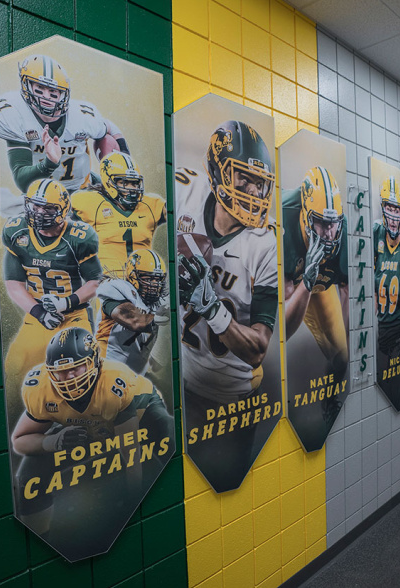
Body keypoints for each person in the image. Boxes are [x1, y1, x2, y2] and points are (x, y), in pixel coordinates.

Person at [174, 120, 279, 491]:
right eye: (242, 179)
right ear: (217, 172)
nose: (253, 191)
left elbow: (258, 351)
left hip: (231, 401)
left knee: (225, 487)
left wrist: (212, 307)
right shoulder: (183, 192)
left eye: (259, 182)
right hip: (178, 386)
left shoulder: (264, 242)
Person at [10, 327, 173, 559]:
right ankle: (38, 544)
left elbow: (130, 451)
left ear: (95, 362)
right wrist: (53, 441)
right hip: (84, 425)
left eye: (75, 368)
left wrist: (132, 502)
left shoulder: (112, 382)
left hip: (138, 410)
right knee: (29, 474)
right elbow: (20, 441)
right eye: (61, 371)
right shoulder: (41, 389)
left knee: (167, 432)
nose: (69, 378)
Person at [2, 179, 102, 417]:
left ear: (63, 210)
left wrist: (65, 302)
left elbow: (95, 282)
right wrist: (40, 313)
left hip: (73, 313)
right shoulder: (17, 232)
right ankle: (21, 416)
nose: (39, 213)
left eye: (47, 208)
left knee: (75, 366)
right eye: (34, 207)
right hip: (38, 312)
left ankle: (79, 419)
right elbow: (14, 285)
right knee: (15, 364)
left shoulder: (79, 236)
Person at [0, 54, 129, 193]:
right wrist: (50, 163)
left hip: (82, 190)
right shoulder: (15, 112)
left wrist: (124, 159)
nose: (46, 96)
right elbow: (23, 182)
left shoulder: (81, 116)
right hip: (41, 198)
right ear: (26, 85)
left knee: (107, 139)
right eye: (40, 88)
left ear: (63, 94)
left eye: (53, 91)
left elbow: (111, 128)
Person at [283, 166, 349, 375]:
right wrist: (306, 283)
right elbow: (283, 328)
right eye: (321, 222)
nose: (329, 234)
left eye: (333, 224)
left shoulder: (342, 228)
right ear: (305, 216)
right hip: (292, 285)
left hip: (322, 284)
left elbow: (346, 290)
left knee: (342, 354)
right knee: (268, 347)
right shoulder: (284, 219)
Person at [70, 152, 168, 278]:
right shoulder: (89, 201)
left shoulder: (151, 204)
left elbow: (179, 215)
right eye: (124, 183)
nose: (131, 188)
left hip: (144, 282)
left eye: (134, 183)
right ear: (108, 181)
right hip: (107, 281)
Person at [95, 248, 170, 381]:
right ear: (133, 275)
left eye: (157, 279)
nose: (154, 284)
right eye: (148, 278)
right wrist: (162, 319)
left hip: (134, 377)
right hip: (106, 369)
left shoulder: (157, 304)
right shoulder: (119, 290)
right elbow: (136, 321)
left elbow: (156, 363)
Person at [373, 176, 400, 410]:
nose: (392, 213)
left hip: (399, 329)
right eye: (388, 207)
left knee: (395, 386)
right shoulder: (376, 233)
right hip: (379, 325)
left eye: (396, 208)